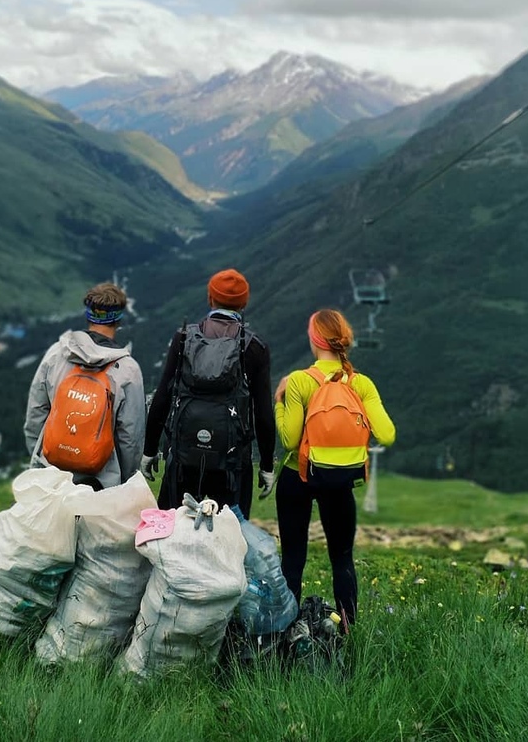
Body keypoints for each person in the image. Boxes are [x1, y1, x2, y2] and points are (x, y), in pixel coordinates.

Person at [274, 308, 396, 630]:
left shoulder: (299, 381)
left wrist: (279, 401)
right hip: (341, 480)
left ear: (314, 340)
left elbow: (289, 441)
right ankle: (348, 632)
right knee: (342, 560)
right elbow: (387, 434)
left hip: (298, 476)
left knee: (293, 560)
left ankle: (287, 636)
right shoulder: (361, 384)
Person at [141, 268, 275, 516]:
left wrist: (149, 450)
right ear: (244, 303)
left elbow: (163, 397)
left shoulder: (184, 338)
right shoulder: (254, 347)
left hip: (183, 457)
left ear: (210, 298)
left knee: (173, 526)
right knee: (229, 530)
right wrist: (266, 466)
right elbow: (263, 413)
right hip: (232, 463)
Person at [23, 282, 145, 488]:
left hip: (51, 475)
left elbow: (36, 413)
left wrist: (40, 457)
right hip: (101, 481)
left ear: (88, 315)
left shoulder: (57, 353)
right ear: (118, 320)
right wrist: (124, 479)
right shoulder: (128, 370)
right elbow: (130, 437)